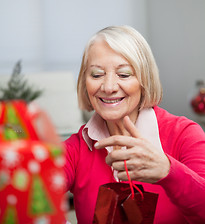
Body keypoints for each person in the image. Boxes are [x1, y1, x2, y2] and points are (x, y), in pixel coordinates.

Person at [64, 25, 205, 224]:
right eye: (96, 75)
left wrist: (168, 171)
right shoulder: (76, 148)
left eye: (124, 74)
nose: (109, 87)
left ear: (144, 80)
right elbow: (26, 199)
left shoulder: (185, 134)